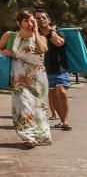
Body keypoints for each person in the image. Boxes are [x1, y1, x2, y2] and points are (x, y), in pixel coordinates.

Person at [1, 10, 52, 149]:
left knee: (39, 108)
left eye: (32, 21)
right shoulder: (10, 36)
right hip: (19, 77)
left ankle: (41, 135)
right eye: (26, 21)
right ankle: (28, 137)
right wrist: (4, 52)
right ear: (19, 23)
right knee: (23, 106)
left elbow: (42, 50)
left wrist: (36, 32)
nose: (30, 23)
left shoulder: (41, 37)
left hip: (38, 78)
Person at [34, 9, 73, 130]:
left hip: (59, 69)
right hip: (44, 70)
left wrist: (52, 31)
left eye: (43, 18)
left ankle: (66, 121)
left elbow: (59, 43)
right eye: (38, 18)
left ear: (48, 20)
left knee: (61, 92)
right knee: (53, 96)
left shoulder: (58, 32)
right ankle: (61, 121)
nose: (41, 20)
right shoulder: (37, 34)